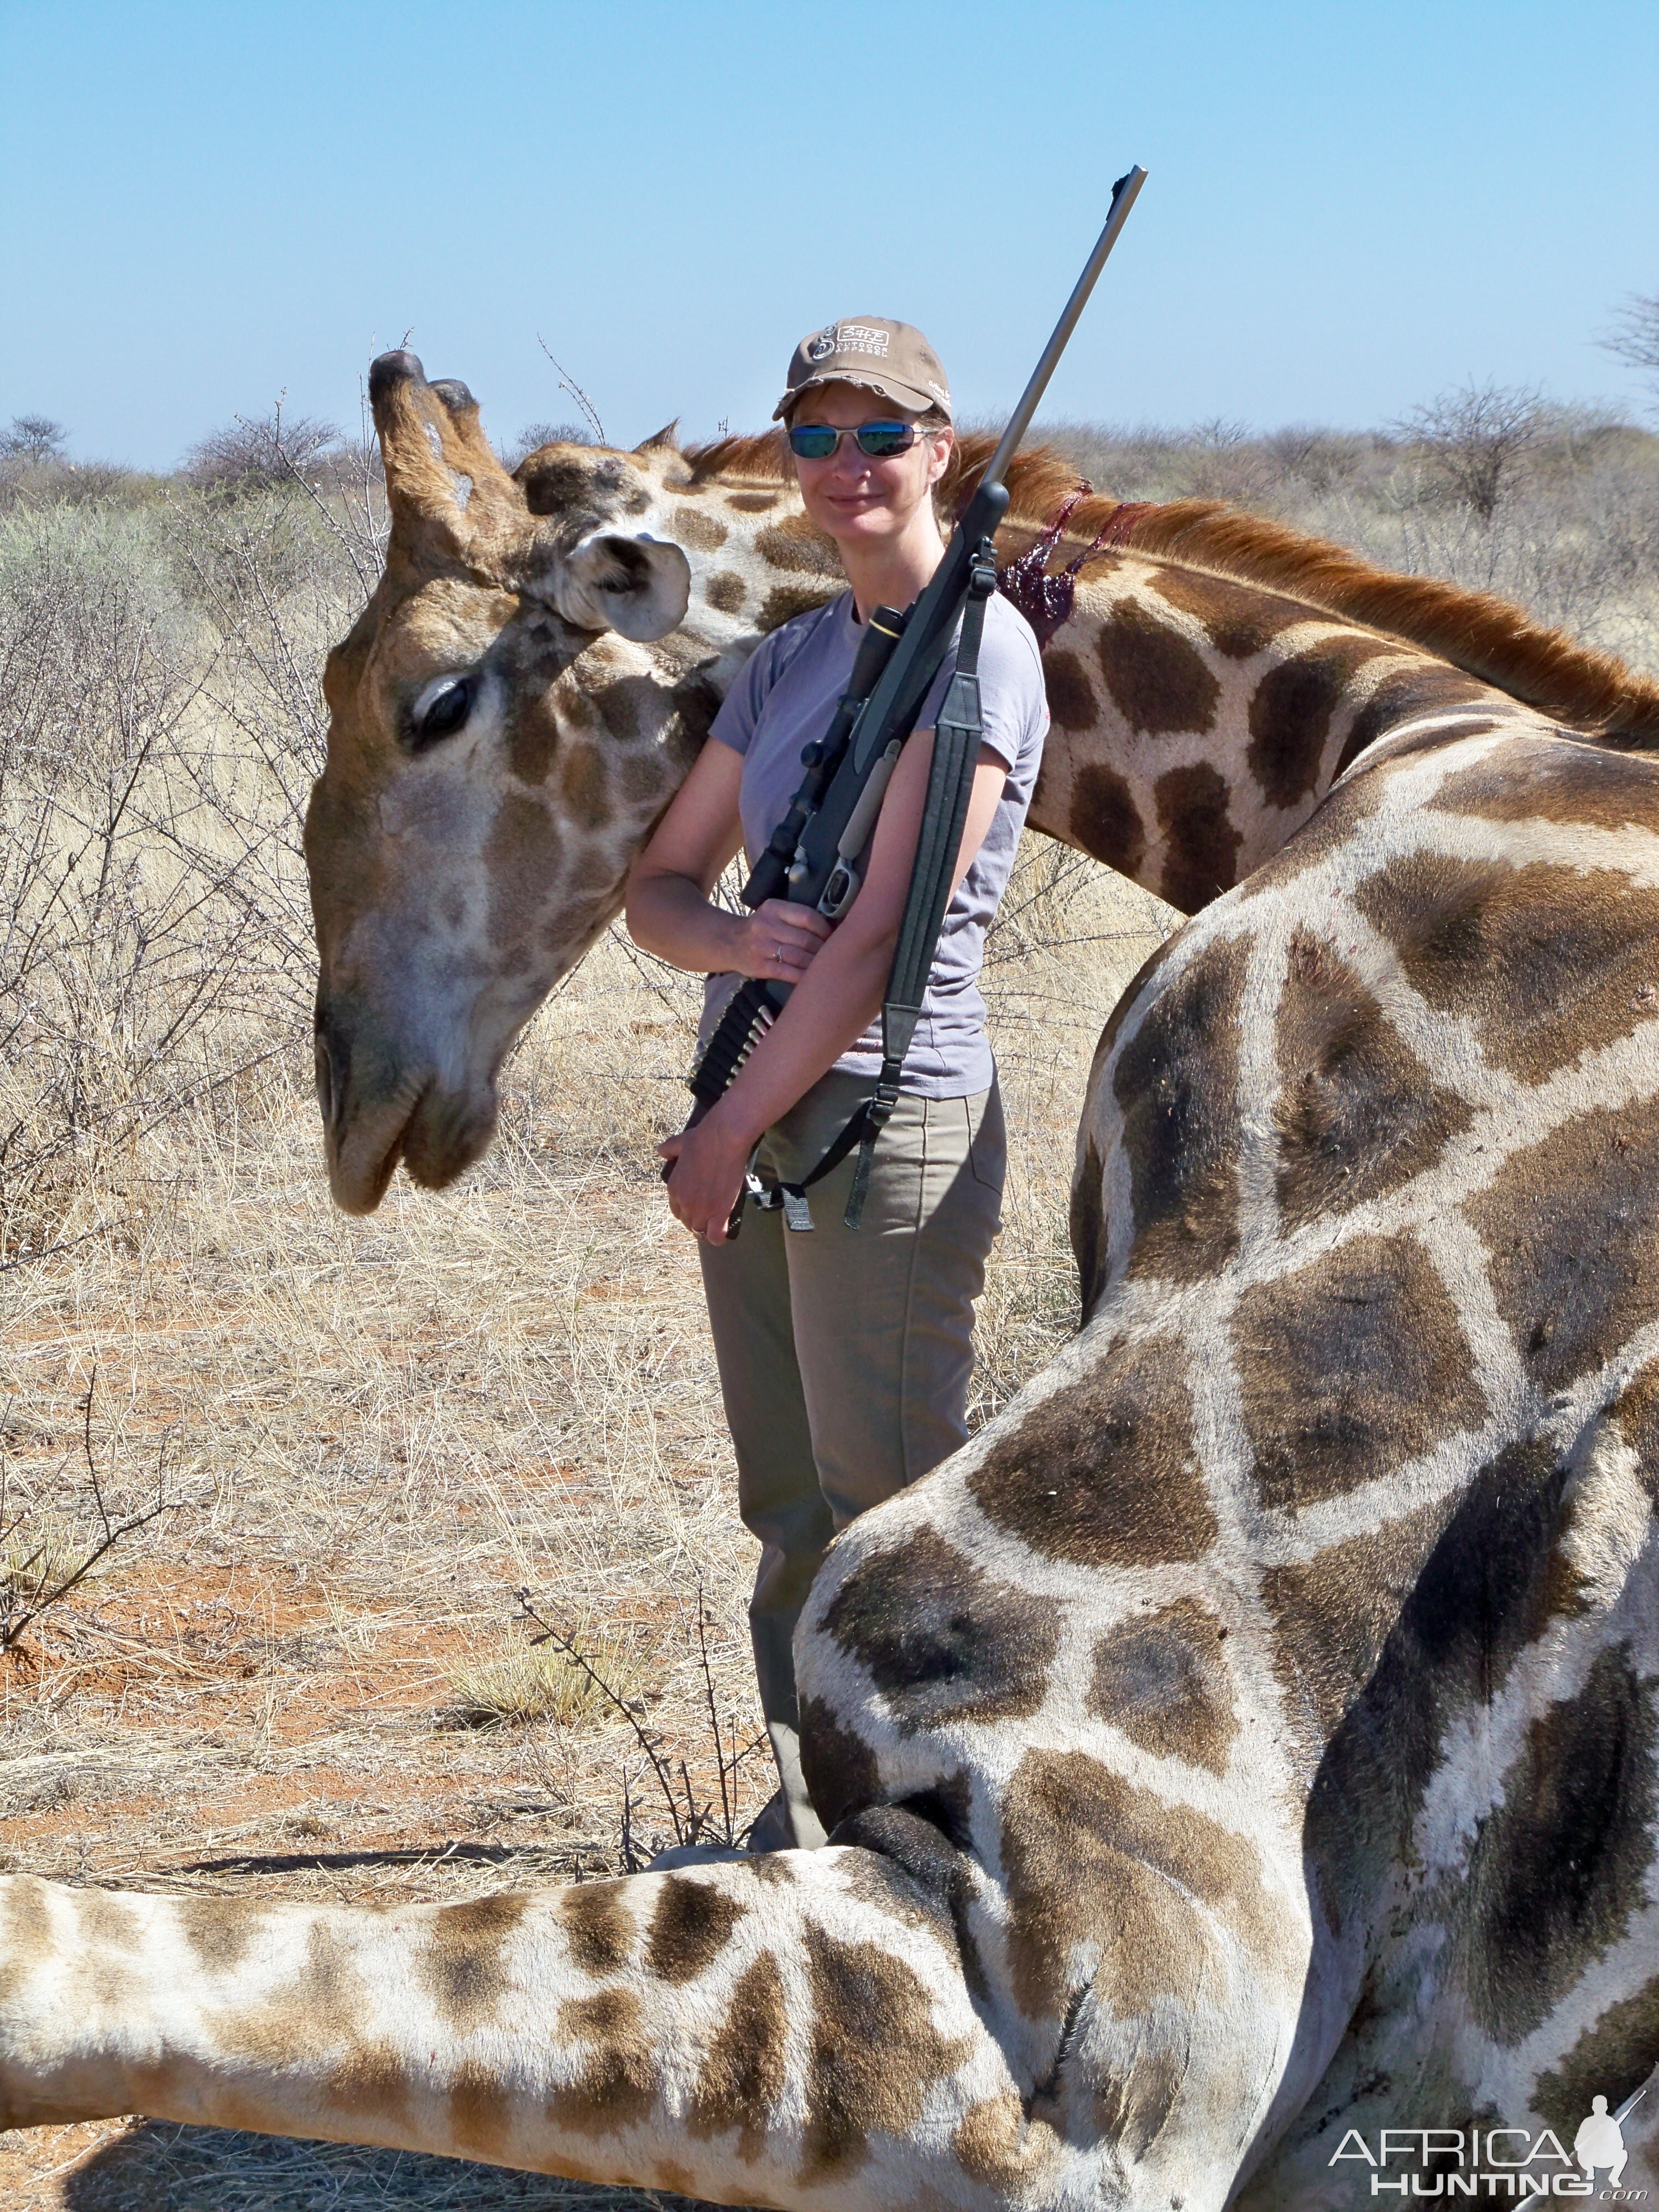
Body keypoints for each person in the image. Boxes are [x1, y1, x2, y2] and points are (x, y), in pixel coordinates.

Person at [625, 318, 1048, 1850]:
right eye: (818, 437)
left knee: (894, 1511)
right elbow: (661, 892)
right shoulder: (788, 663)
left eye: (884, 437)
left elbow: (877, 941)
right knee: (791, 1506)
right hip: (754, 1102)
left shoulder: (983, 649)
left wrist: (722, 1131)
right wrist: (740, 935)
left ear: (944, 452)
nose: (849, 467)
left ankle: (954, 1832)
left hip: (884, 1117)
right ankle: (813, 1823)